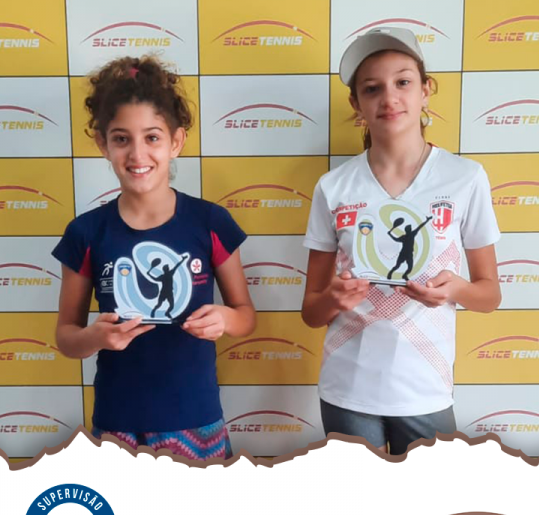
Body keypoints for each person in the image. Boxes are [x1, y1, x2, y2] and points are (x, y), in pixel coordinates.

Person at [302, 28, 501, 455]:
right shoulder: (333, 187)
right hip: (347, 391)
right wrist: (334, 298)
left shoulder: (466, 178)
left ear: (426, 91)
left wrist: (456, 289)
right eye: (372, 88)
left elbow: (489, 295)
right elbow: (311, 313)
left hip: (426, 390)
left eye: (403, 82)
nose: (389, 98)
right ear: (356, 104)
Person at [52, 56, 255, 460]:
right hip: (117, 424)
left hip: (196, 420)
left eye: (152, 137)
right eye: (121, 139)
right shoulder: (86, 232)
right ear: (103, 144)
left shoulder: (210, 222)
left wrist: (224, 319)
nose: (137, 153)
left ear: (176, 142)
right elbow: (66, 337)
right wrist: (95, 337)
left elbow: (245, 316)